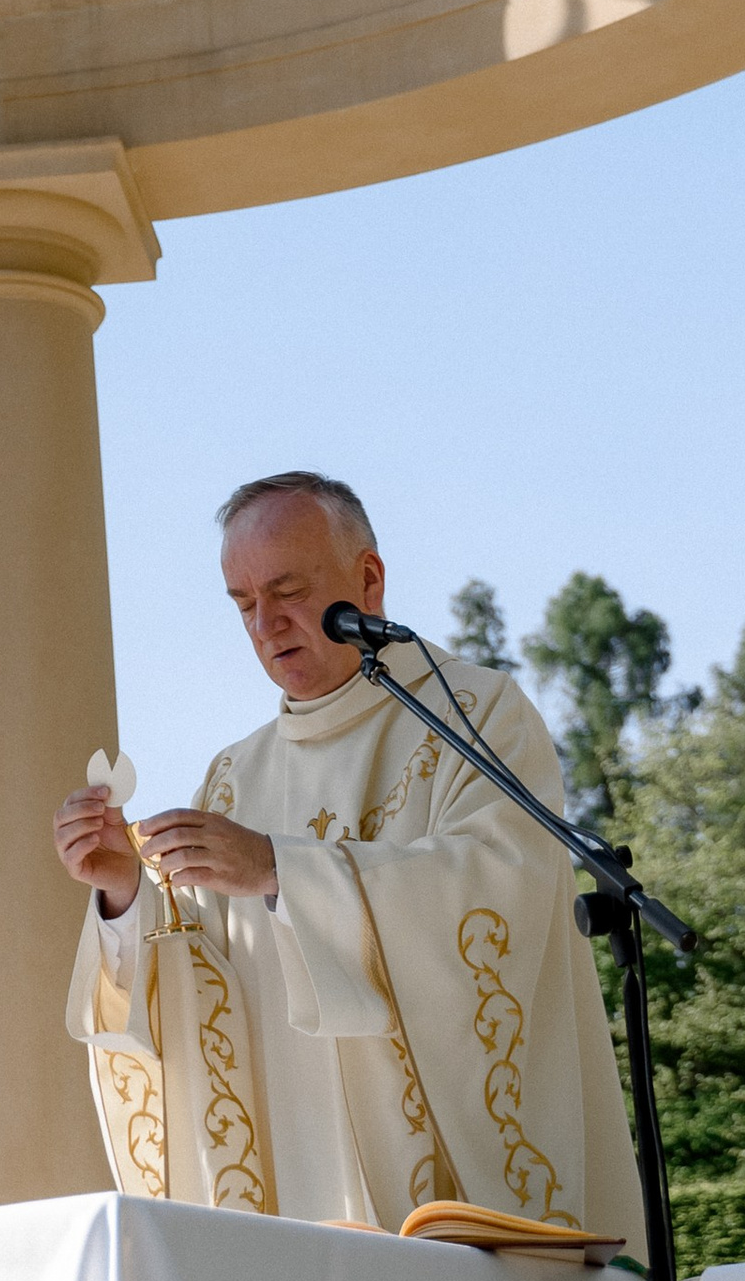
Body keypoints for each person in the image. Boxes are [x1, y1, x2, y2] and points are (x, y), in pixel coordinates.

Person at [53, 470, 646, 1240]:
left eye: (287, 590)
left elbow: (505, 898)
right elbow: (198, 976)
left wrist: (280, 868)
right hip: (299, 1203)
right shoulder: (234, 779)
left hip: (447, 1218)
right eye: (243, 604)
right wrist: (126, 895)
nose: (265, 623)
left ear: (368, 579)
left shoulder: (475, 715)